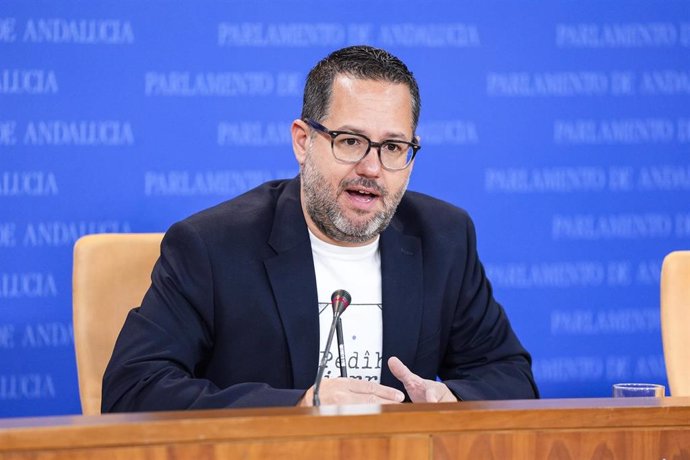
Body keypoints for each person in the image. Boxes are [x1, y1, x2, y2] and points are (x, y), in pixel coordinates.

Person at [102, 45, 538, 412]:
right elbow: (132, 389)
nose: (371, 168)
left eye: (393, 147)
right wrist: (297, 406)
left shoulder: (445, 237)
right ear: (303, 141)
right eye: (350, 141)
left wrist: (450, 399)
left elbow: (510, 377)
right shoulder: (212, 246)